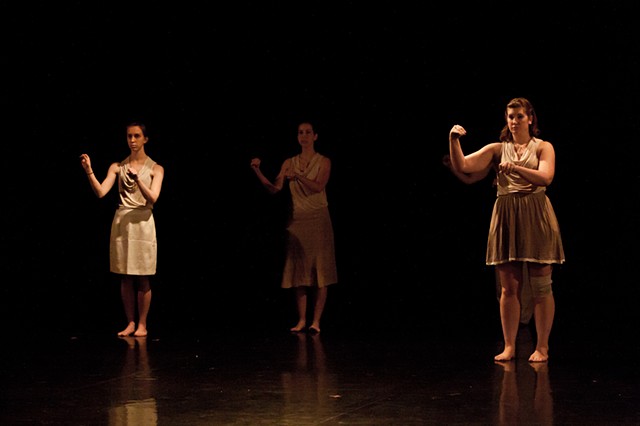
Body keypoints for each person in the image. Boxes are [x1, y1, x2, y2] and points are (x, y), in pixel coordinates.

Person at [448, 97, 565, 362]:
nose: (514, 122)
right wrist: (453, 140)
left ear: (530, 118)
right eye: (510, 117)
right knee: (508, 287)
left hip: (535, 213)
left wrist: (518, 169)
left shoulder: (543, 147)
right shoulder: (498, 149)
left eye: (519, 117)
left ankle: (542, 347)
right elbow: (464, 166)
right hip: (506, 213)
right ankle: (510, 345)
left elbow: (546, 177)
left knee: (541, 286)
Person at [250, 121, 338, 334]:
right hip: (297, 219)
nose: (304, 136)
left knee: (320, 271)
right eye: (301, 132)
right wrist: (257, 171)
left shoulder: (324, 161)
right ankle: (301, 319)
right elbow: (275, 189)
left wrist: (298, 176)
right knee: (299, 271)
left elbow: (318, 186)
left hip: (318, 218)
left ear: (315, 136)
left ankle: (316, 321)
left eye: (308, 132)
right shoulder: (289, 162)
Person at [80, 122, 165, 337]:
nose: (132, 140)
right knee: (125, 276)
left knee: (143, 275)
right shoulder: (117, 166)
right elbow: (101, 192)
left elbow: (153, 197)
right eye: (129, 136)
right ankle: (130, 322)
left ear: (146, 139)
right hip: (122, 221)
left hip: (143, 222)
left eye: (137, 136)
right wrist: (90, 171)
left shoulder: (156, 168)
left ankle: (143, 324)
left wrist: (139, 180)